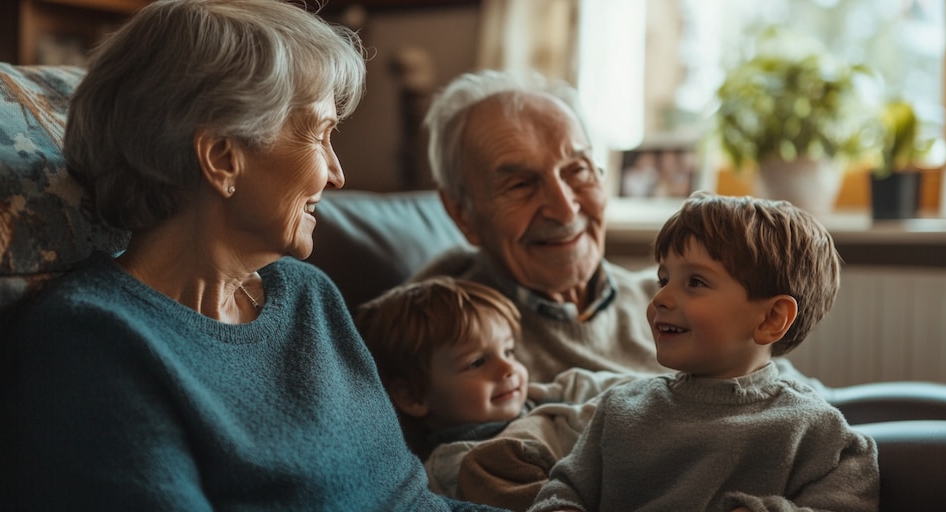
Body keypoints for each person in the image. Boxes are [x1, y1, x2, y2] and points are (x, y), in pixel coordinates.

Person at [0, 1, 505, 510]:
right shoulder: (92, 344)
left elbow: (412, 504)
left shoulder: (307, 296)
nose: (336, 173)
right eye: (319, 135)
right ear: (221, 158)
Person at [417, 69, 818, 389]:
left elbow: (803, 405)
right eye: (520, 184)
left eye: (578, 171)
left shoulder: (670, 299)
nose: (564, 208)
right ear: (462, 213)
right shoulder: (442, 336)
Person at [529, 193, 879, 512]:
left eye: (695, 282)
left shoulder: (813, 428)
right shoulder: (620, 409)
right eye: (664, 280)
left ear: (771, 318)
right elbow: (563, 490)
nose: (660, 298)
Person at [355, 276, 644, 511]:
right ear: (412, 397)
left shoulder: (541, 396)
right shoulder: (459, 464)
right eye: (477, 362)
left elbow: (612, 387)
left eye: (508, 351)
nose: (508, 368)